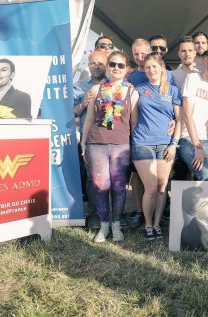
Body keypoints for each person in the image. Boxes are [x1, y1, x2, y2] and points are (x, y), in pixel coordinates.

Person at [81, 51, 138, 242]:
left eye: (121, 65)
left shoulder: (132, 92)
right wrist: (83, 143)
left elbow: (134, 124)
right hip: (96, 144)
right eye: (113, 64)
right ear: (108, 66)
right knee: (100, 186)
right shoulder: (96, 90)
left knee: (119, 188)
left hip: (121, 146)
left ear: (127, 69)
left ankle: (116, 225)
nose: (116, 68)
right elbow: (88, 119)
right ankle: (103, 226)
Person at [127, 39, 176, 229]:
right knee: (144, 182)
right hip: (142, 140)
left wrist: (175, 123)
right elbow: (132, 115)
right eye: (136, 54)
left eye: (144, 54)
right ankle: (142, 215)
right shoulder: (131, 78)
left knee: (161, 184)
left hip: (164, 140)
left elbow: (176, 107)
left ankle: (157, 220)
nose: (150, 69)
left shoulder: (169, 80)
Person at [178, 47, 208, 181]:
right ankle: (202, 203)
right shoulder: (192, 78)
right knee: (206, 175)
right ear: (206, 60)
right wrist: (197, 146)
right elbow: (187, 115)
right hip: (187, 138)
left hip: (206, 140)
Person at [73, 51, 107, 228]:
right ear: (89, 64)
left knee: (114, 179)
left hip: (113, 138)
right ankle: (95, 214)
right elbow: (71, 112)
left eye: (100, 63)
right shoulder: (79, 86)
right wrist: (83, 104)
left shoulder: (115, 83)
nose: (97, 66)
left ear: (106, 64)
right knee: (93, 179)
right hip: (91, 139)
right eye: (93, 63)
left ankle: (114, 215)